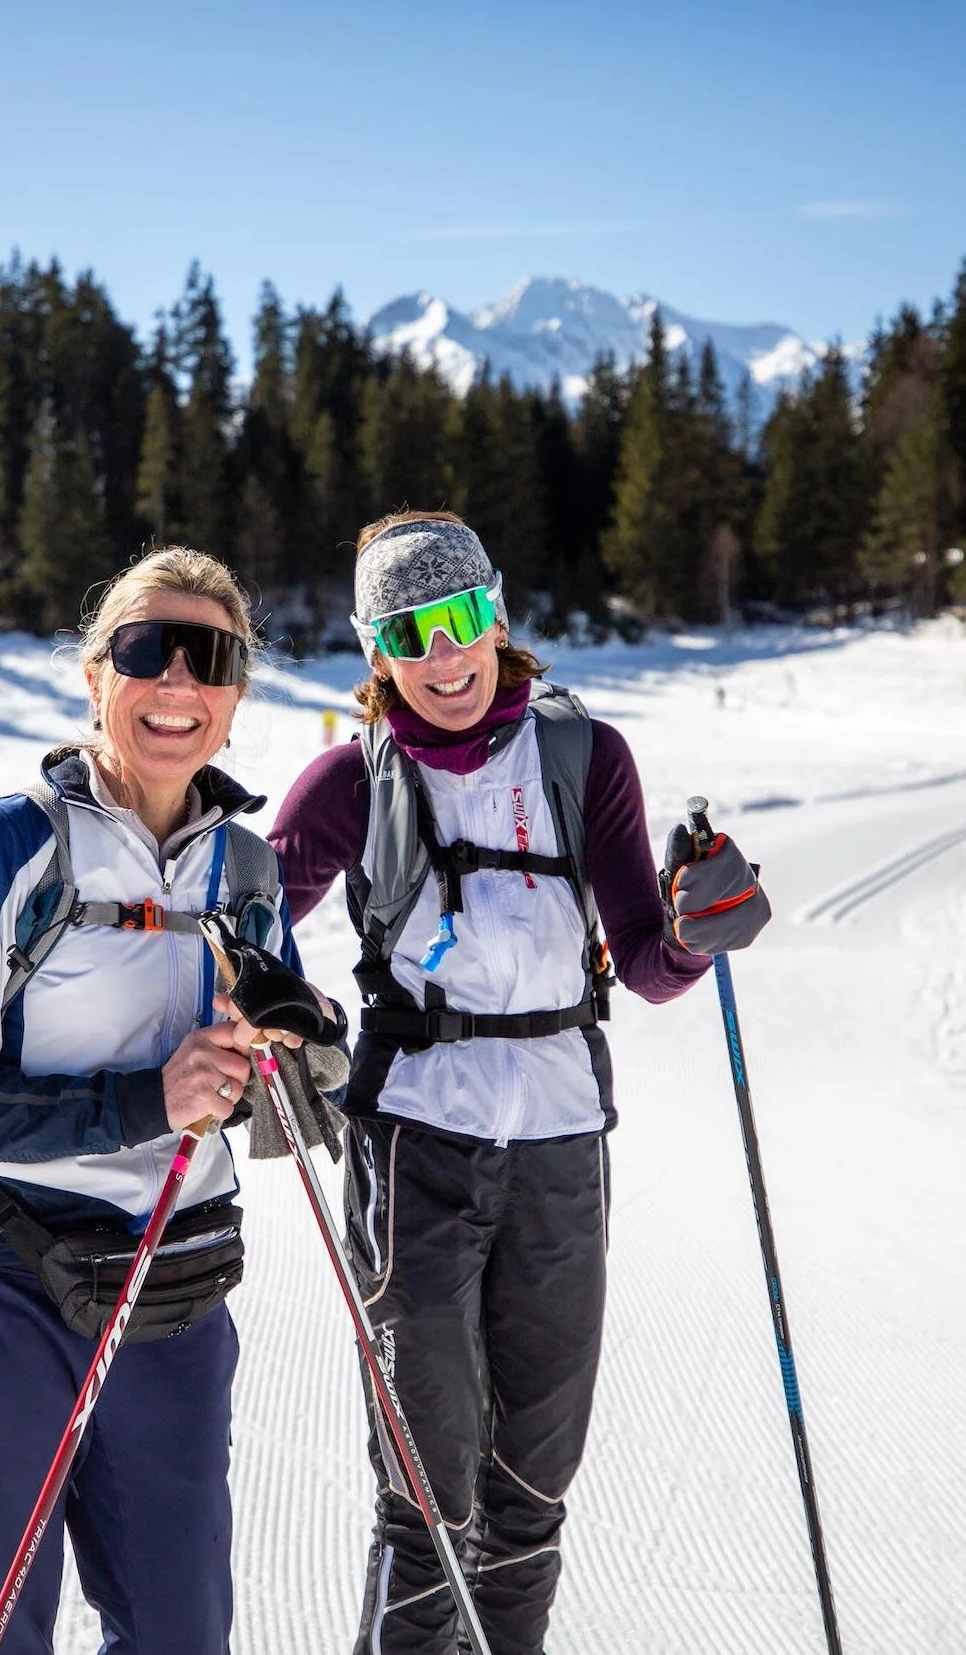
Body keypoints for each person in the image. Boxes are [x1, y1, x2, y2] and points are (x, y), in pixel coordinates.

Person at [268, 512, 772, 1655]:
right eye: (409, 633)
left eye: (461, 620)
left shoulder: (583, 756)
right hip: (413, 1143)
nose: (443, 658)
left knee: (530, 1487)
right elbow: (239, 923)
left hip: (558, 1142)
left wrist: (701, 928)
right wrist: (278, 1011)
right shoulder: (350, 780)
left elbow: (645, 959)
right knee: (425, 1493)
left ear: (497, 613)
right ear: (375, 652)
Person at [0, 546, 311, 1655]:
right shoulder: (2, 845)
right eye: (143, 650)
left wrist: (280, 1053)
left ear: (236, 692)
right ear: (92, 674)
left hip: (170, 1289)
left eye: (208, 655)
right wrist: (145, 1099)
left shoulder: (248, 871)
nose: (176, 681)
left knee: (180, 1631)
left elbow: (298, 1115)